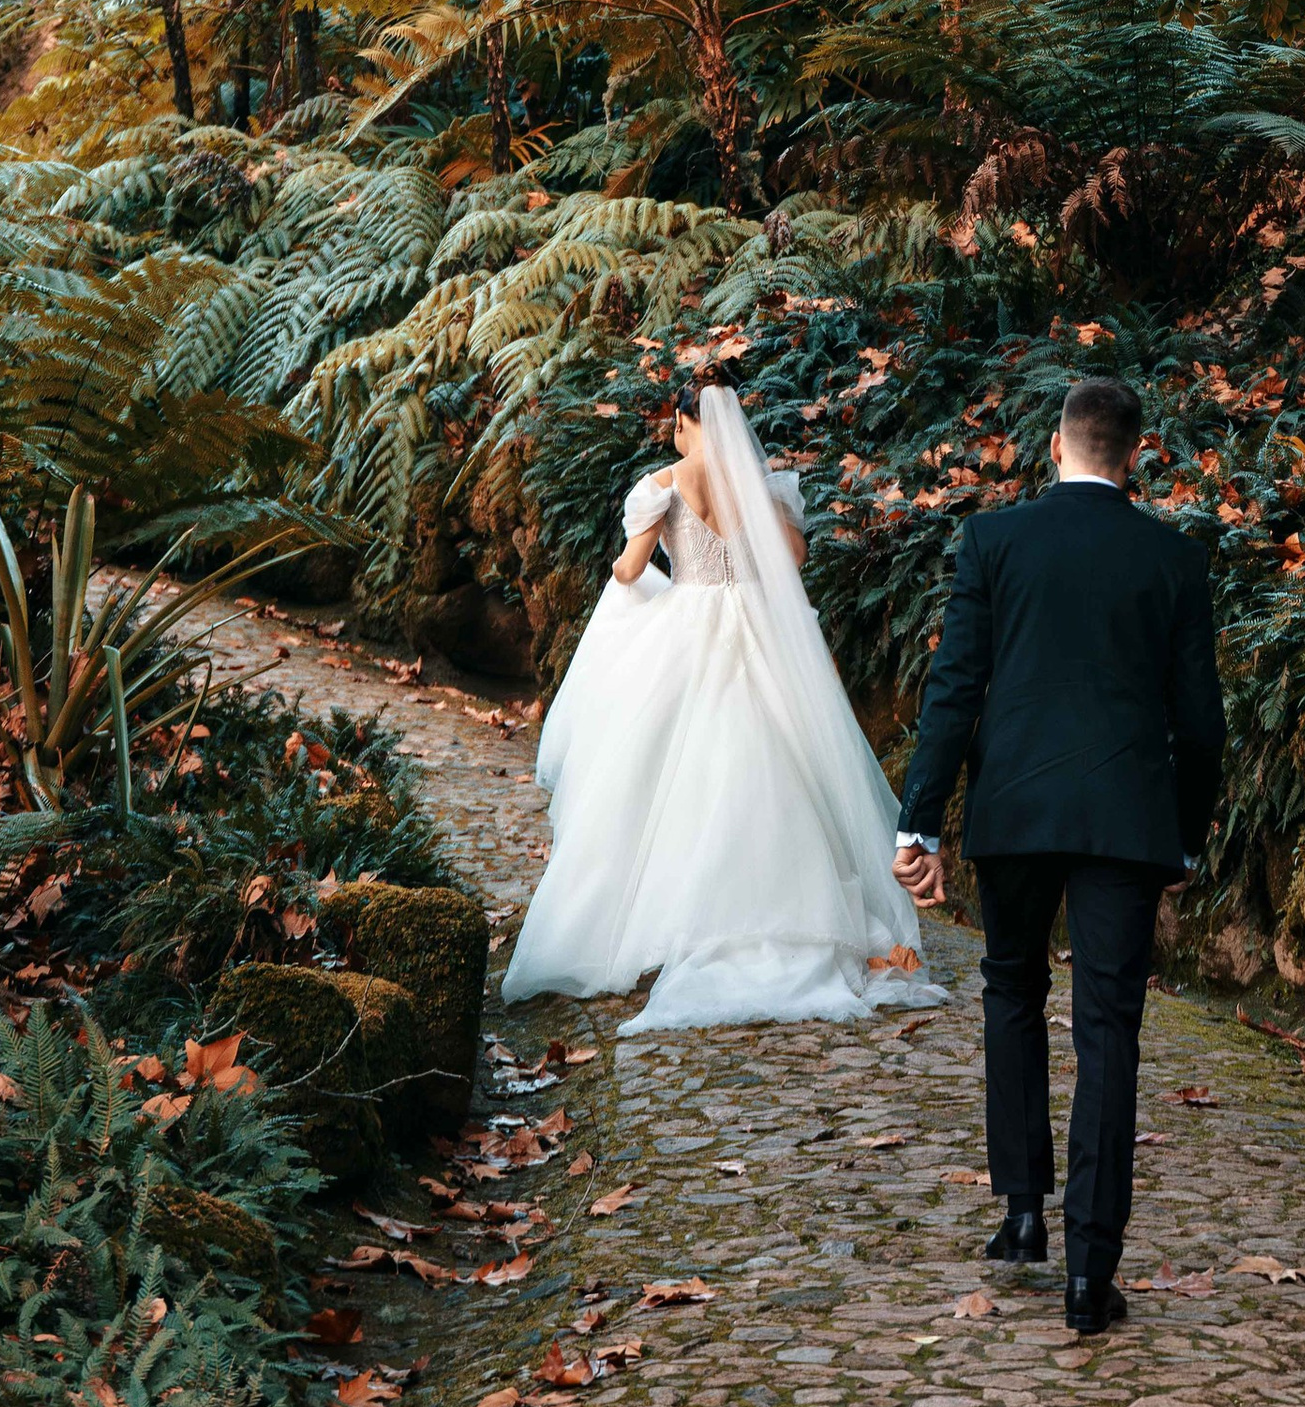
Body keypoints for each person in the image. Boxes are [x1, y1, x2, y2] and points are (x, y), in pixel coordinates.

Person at [892, 375, 1225, 1336]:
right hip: (1126, 821)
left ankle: (1023, 1211)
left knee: (1011, 991)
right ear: (1138, 454)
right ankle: (1091, 1269)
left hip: (1016, 809)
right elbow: (1201, 727)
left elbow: (954, 687)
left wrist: (919, 822)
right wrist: (1185, 840)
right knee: (1108, 1029)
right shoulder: (1174, 559)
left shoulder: (995, 541)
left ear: (1054, 446)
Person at [502, 381, 943, 1035]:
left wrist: (630, 574)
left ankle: (679, 912)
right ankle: (794, 904)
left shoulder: (664, 483)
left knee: (670, 770)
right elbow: (790, 559)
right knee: (780, 752)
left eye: (675, 425)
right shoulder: (759, 487)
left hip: (688, 623)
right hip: (758, 627)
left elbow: (629, 568)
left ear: (687, 423)